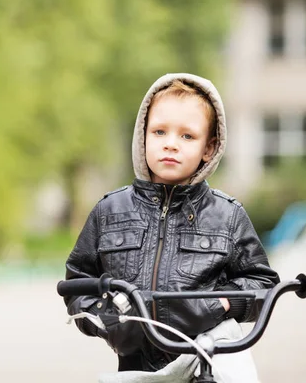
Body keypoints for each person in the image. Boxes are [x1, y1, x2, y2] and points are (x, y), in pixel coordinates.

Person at [62, 73, 279, 378]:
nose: (171, 145)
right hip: (134, 366)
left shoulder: (227, 216)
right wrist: (105, 319)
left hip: (203, 361)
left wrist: (221, 303)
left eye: (187, 136)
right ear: (143, 136)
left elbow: (262, 282)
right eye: (160, 132)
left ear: (209, 147)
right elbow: (78, 280)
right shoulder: (109, 210)